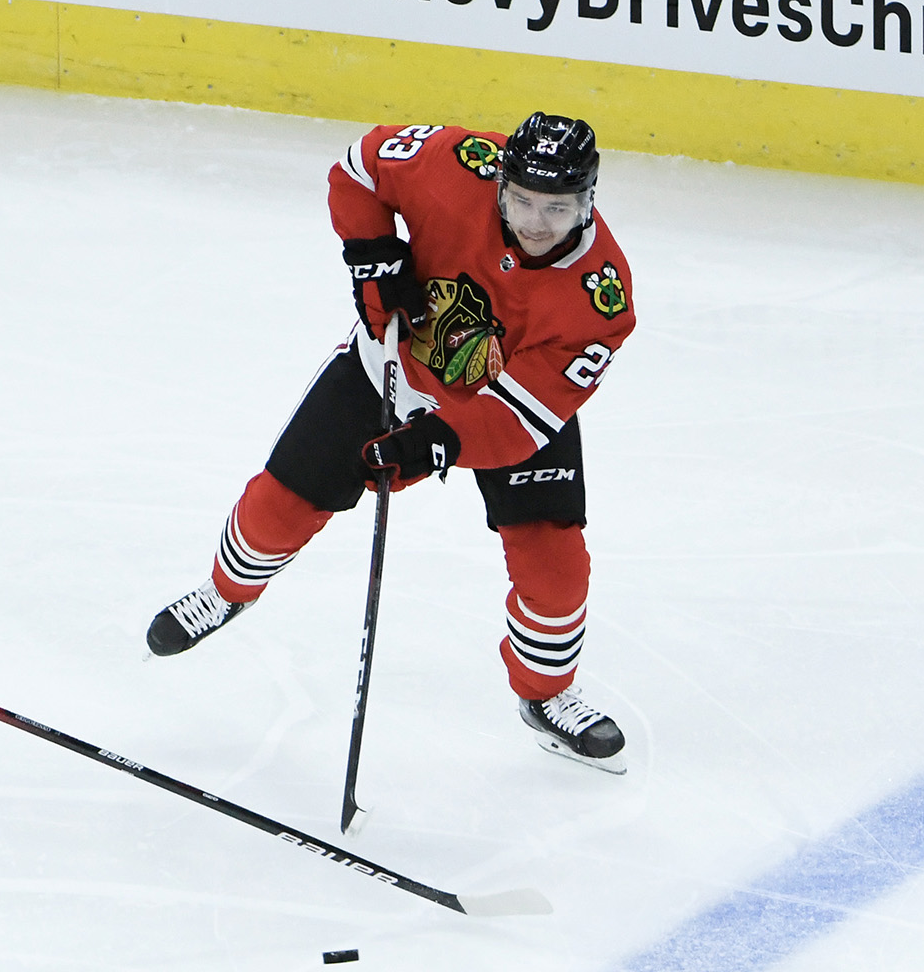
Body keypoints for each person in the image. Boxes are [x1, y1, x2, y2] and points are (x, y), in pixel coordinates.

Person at [145, 113, 636, 774]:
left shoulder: (600, 299)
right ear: (500, 184)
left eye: (558, 208)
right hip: (391, 363)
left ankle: (547, 696)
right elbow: (357, 168)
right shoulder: (456, 163)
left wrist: (433, 443)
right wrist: (371, 249)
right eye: (522, 200)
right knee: (280, 504)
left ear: (589, 201)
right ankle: (226, 591)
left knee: (557, 568)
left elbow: (517, 423)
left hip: (513, 406)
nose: (537, 222)